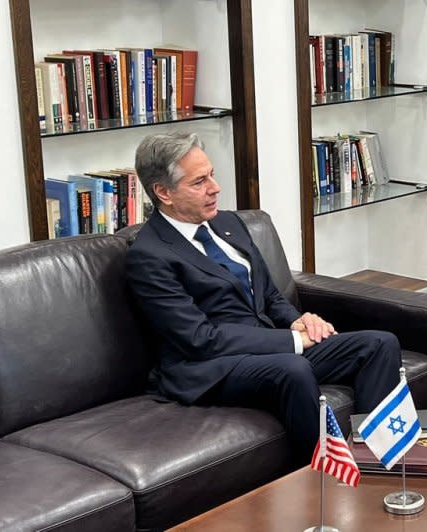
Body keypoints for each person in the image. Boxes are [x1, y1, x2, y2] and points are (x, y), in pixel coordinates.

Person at [126, 131, 401, 462]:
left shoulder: (229, 223)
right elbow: (200, 340)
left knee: (379, 344)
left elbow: (268, 294)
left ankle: (376, 458)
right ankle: (325, 482)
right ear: (163, 192)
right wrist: (293, 341)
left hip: (268, 346)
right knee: (293, 368)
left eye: (212, 174)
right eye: (199, 182)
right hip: (211, 367)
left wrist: (297, 319)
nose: (215, 188)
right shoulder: (149, 256)